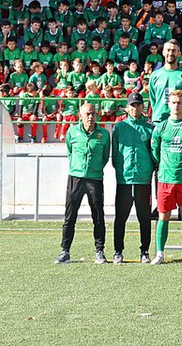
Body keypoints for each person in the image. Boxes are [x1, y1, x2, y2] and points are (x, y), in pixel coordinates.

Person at [150, 90, 182, 265]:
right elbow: (155, 152)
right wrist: (165, 165)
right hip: (165, 179)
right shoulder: (161, 127)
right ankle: (159, 253)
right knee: (163, 217)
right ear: (169, 104)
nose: (176, 105)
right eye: (173, 102)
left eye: (179, 102)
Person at [56, 102, 110, 264]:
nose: (90, 116)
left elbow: (105, 156)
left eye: (93, 113)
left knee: (98, 216)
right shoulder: (72, 132)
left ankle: (100, 251)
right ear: (80, 115)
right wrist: (77, 168)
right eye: (87, 113)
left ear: (97, 115)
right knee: (70, 216)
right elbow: (70, 151)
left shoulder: (104, 134)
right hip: (76, 178)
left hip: (95, 178)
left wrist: (95, 169)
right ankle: (65, 250)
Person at [111, 93, 156, 264]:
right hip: (124, 180)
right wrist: (121, 171)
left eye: (138, 105)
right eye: (132, 105)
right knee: (120, 217)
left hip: (143, 179)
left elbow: (154, 154)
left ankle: (144, 251)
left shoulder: (149, 128)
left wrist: (148, 170)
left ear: (142, 107)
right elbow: (115, 153)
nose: (135, 108)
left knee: (144, 218)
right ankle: (118, 251)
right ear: (127, 108)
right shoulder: (120, 128)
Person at [148, 40, 182, 120]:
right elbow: (153, 100)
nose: (170, 53)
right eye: (168, 50)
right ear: (163, 52)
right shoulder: (155, 75)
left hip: (178, 122)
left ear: (179, 53)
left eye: (174, 50)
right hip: (159, 121)